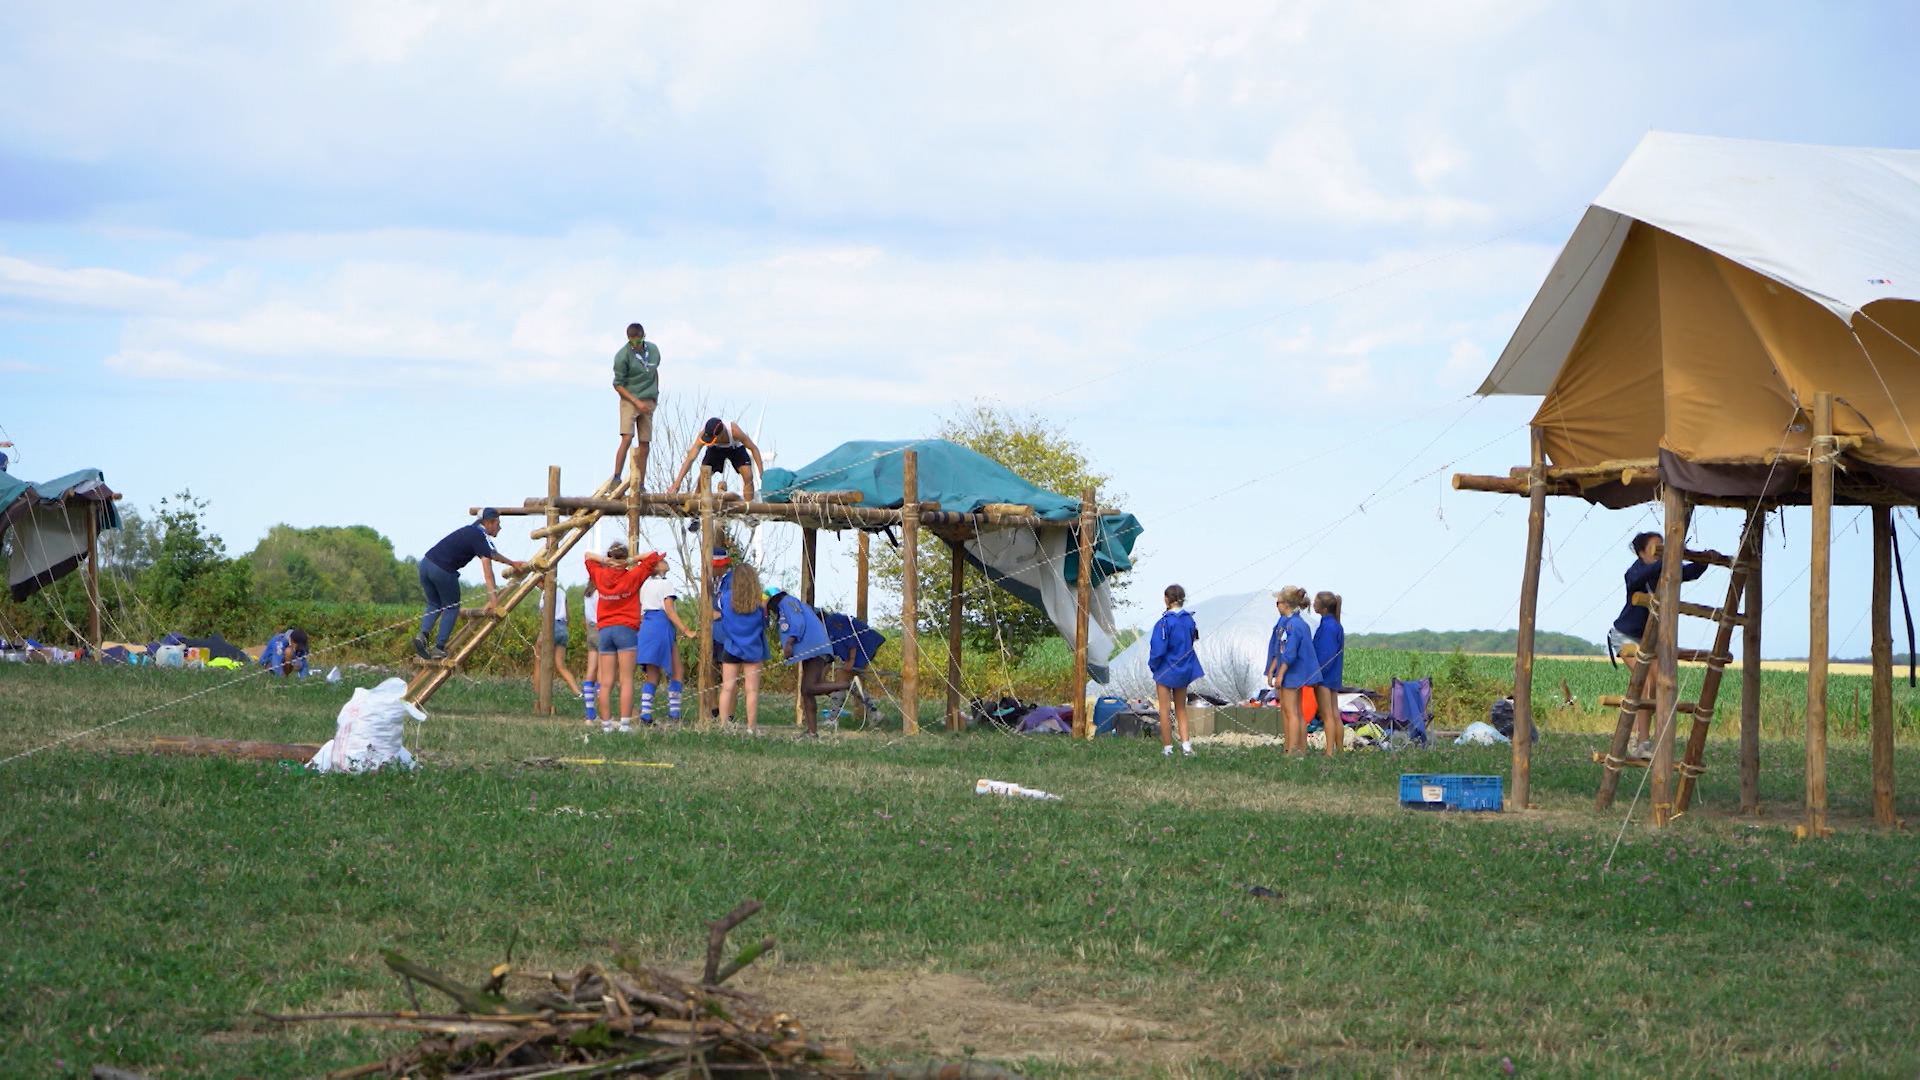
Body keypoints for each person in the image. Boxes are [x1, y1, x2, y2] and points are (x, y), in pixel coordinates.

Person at [1610, 532, 1710, 755]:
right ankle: (1642, 743)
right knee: (1644, 681)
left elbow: (1689, 572)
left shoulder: (1665, 571)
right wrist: (1669, 558)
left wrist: (1702, 560)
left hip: (1649, 640)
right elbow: (1637, 580)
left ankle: (1635, 736)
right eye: (1656, 550)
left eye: (1663, 549)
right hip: (1625, 635)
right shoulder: (1634, 572)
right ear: (1641, 553)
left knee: (1657, 683)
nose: (1660, 554)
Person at [415, 509, 526, 660]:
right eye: (497, 524)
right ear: (487, 523)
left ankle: (423, 635)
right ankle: (439, 648)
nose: (499, 528)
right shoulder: (480, 536)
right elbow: (488, 572)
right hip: (442, 570)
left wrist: (511, 563)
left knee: (435, 603)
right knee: (452, 607)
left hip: (425, 565)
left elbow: (491, 553)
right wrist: (494, 601)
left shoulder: (471, 532)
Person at [585, 543, 663, 733]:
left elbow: (588, 556)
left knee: (606, 681)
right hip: (626, 629)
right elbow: (653, 556)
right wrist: (630, 561)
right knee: (626, 679)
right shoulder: (632, 576)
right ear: (624, 558)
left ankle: (605, 725)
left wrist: (605, 561)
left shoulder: (600, 575)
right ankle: (625, 724)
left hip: (604, 630)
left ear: (610, 557)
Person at [766, 586, 851, 736]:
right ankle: (812, 731)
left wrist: (789, 643)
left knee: (810, 687)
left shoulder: (787, 603)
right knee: (806, 691)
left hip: (815, 649)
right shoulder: (786, 605)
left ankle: (847, 685)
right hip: (809, 651)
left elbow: (798, 623)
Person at [634, 557, 694, 723]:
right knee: (676, 671)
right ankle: (674, 714)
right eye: (662, 561)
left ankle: (645, 714)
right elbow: (670, 611)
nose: (666, 561)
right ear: (657, 567)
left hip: (647, 625)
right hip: (661, 625)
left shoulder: (645, 584)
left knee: (653, 674)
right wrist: (686, 630)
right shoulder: (666, 583)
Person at [1266, 586, 1324, 755]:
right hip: (1293, 672)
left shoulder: (1293, 625)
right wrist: (1271, 670)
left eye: (1278, 603)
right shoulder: (1295, 623)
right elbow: (1279, 649)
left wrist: (1280, 674)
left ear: (1285, 605)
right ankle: (1299, 748)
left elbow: (1289, 653)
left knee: (1292, 712)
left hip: (1293, 673)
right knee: (1294, 711)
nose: (1276, 606)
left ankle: (1292, 750)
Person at [714, 561, 771, 732]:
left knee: (727, 687)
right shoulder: (758, 604)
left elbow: (723, 619)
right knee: (751, 691)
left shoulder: (726, 598)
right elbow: (764, 624)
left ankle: (723, 726)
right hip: (753, 649)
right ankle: (751, 728)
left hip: (731, 646)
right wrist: (766, 608)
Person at [1148, 584, 1204, 757]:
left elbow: (1158, 649)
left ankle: (1168, 748)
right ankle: (1186, 746)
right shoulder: (1189, 620)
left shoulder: (1164, 622)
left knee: (1164, 709)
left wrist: (1153, 665)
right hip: (1184, 669)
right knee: (1181, 708)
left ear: (1167, 599)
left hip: (1165, 669)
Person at [612, 323, 662, 486]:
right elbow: (618, 384)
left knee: (645, 443)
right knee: (627, 437)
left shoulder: (653, 351)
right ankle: (617, 477)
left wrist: (656, 393)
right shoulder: (622, 356)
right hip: (630, 399)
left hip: (648, 399)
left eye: (638, 340)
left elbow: (654, 371)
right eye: (632, 342)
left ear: (643, 336)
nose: (636, 344)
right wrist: (635, 401)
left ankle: (640, 483)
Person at [669, 418, 766, 500]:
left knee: (748, 475)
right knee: (703, 477)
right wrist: (677, 483)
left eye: (713, 439)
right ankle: (696, 515)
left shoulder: (734, 431)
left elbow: (754, 448)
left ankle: (748, 509)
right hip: (715, 450)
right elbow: (690, 458)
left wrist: (761, 472)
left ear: (722, 433)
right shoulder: (703, 435)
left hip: (735, 448)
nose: (710, 441)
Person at [821, 611, 884, 721]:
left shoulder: (832, 621)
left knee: (840, 682)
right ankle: (874, 713)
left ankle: (832, 719)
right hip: (855, 652)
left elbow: (850, 639)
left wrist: (851, 660)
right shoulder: (825, 631)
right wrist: (821, 678)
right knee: (848, 684)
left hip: (862, 648)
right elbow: (829, 656)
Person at [1312, 591, 1345, 751]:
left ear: (1323, 608)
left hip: (1324, 676)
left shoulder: (1327, 627)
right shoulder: (1336, 625)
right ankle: (1339, 749)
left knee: (1327, 715)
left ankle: (1330, 751)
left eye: (1316, 602)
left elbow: (1326, 653)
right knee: (1334, 713)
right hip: (1334, 676)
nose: (1313, 604)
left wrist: (1317, 674)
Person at [543, 581, 583, 698]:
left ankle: (539, 692)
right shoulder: (562, 592)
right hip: (563, 627)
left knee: (540, 659)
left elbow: (545, 612)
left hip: (551, 626)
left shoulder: (545, 593)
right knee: (560, 665)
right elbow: (567, 614)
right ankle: (577, 692)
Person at [581, 580, 600, 723]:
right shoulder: (600, 593)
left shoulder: (587, 594)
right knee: (602, 673)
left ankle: (590, 713)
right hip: (601, 628)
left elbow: (587, 617)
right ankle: (604, 710)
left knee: (590, 671)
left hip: (591, 629)